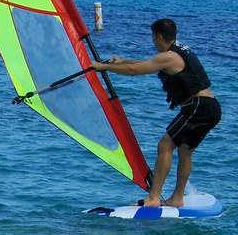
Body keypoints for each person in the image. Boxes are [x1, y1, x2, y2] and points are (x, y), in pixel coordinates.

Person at [91, 18, 221, 208]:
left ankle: (153, 198)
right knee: (185, 151)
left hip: (199, 107)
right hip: (210, 107)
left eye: (153, 38)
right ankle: (177, 198)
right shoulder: (179, 50)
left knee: (165, 146)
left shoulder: (168, 56)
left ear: (159, 36)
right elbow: (146, 64)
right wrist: (123, 60)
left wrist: (102, 67)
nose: (153, 42)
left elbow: (135, 70)